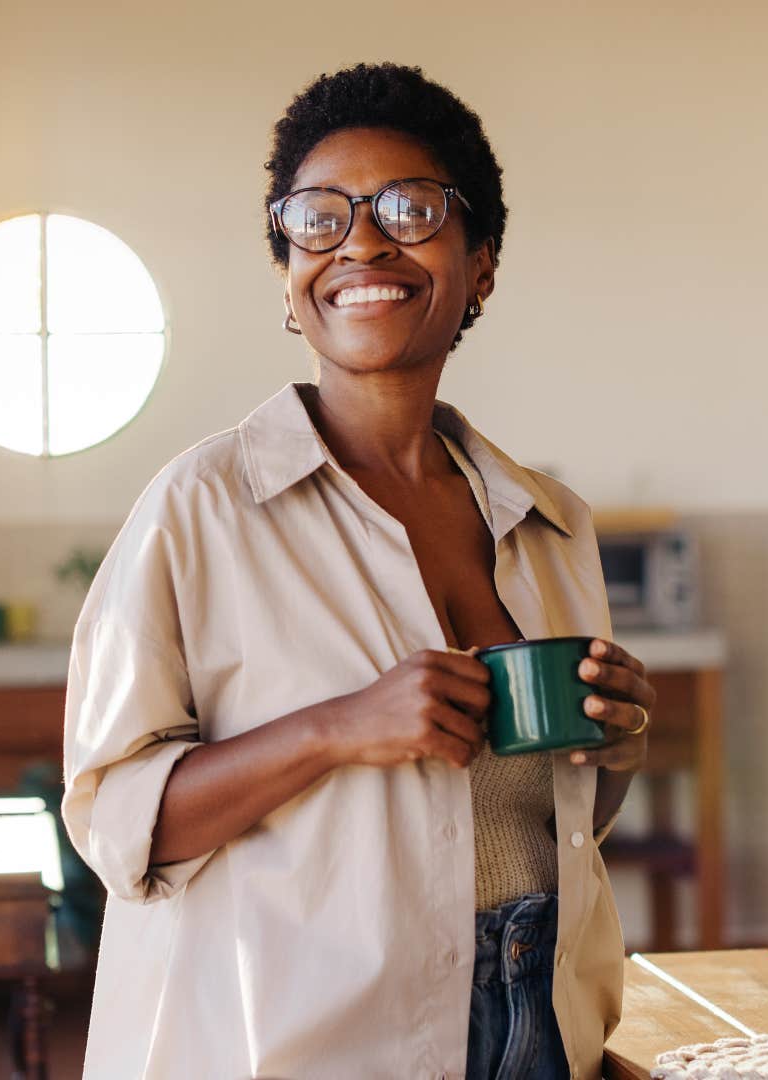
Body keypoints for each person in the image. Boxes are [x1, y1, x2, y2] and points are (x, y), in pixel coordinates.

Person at [61, 62, 657, 1079]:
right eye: (320, 217)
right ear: (289, 273)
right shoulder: (201, 510)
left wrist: (617, 742)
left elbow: (546, 820)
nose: (364, 242)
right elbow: (117, 825)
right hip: (303, 1044)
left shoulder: (551, 525)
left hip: (541, 1021)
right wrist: (338, 728)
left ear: (483, 262)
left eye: (410, 209)